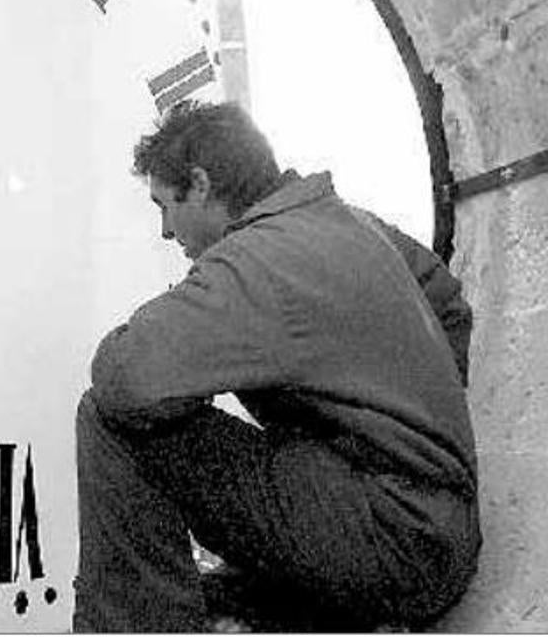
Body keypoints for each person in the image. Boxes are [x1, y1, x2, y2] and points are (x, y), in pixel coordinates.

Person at [73, 99, 480, 632]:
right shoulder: (349, 224)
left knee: (108, 417)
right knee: (215, 589)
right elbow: (446, 301)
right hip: (439, 531)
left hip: (394, 543)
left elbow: (123, 377)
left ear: (198, 184)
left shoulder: (260, 257)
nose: (167, 233)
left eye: (163, 206)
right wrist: (400, 422)